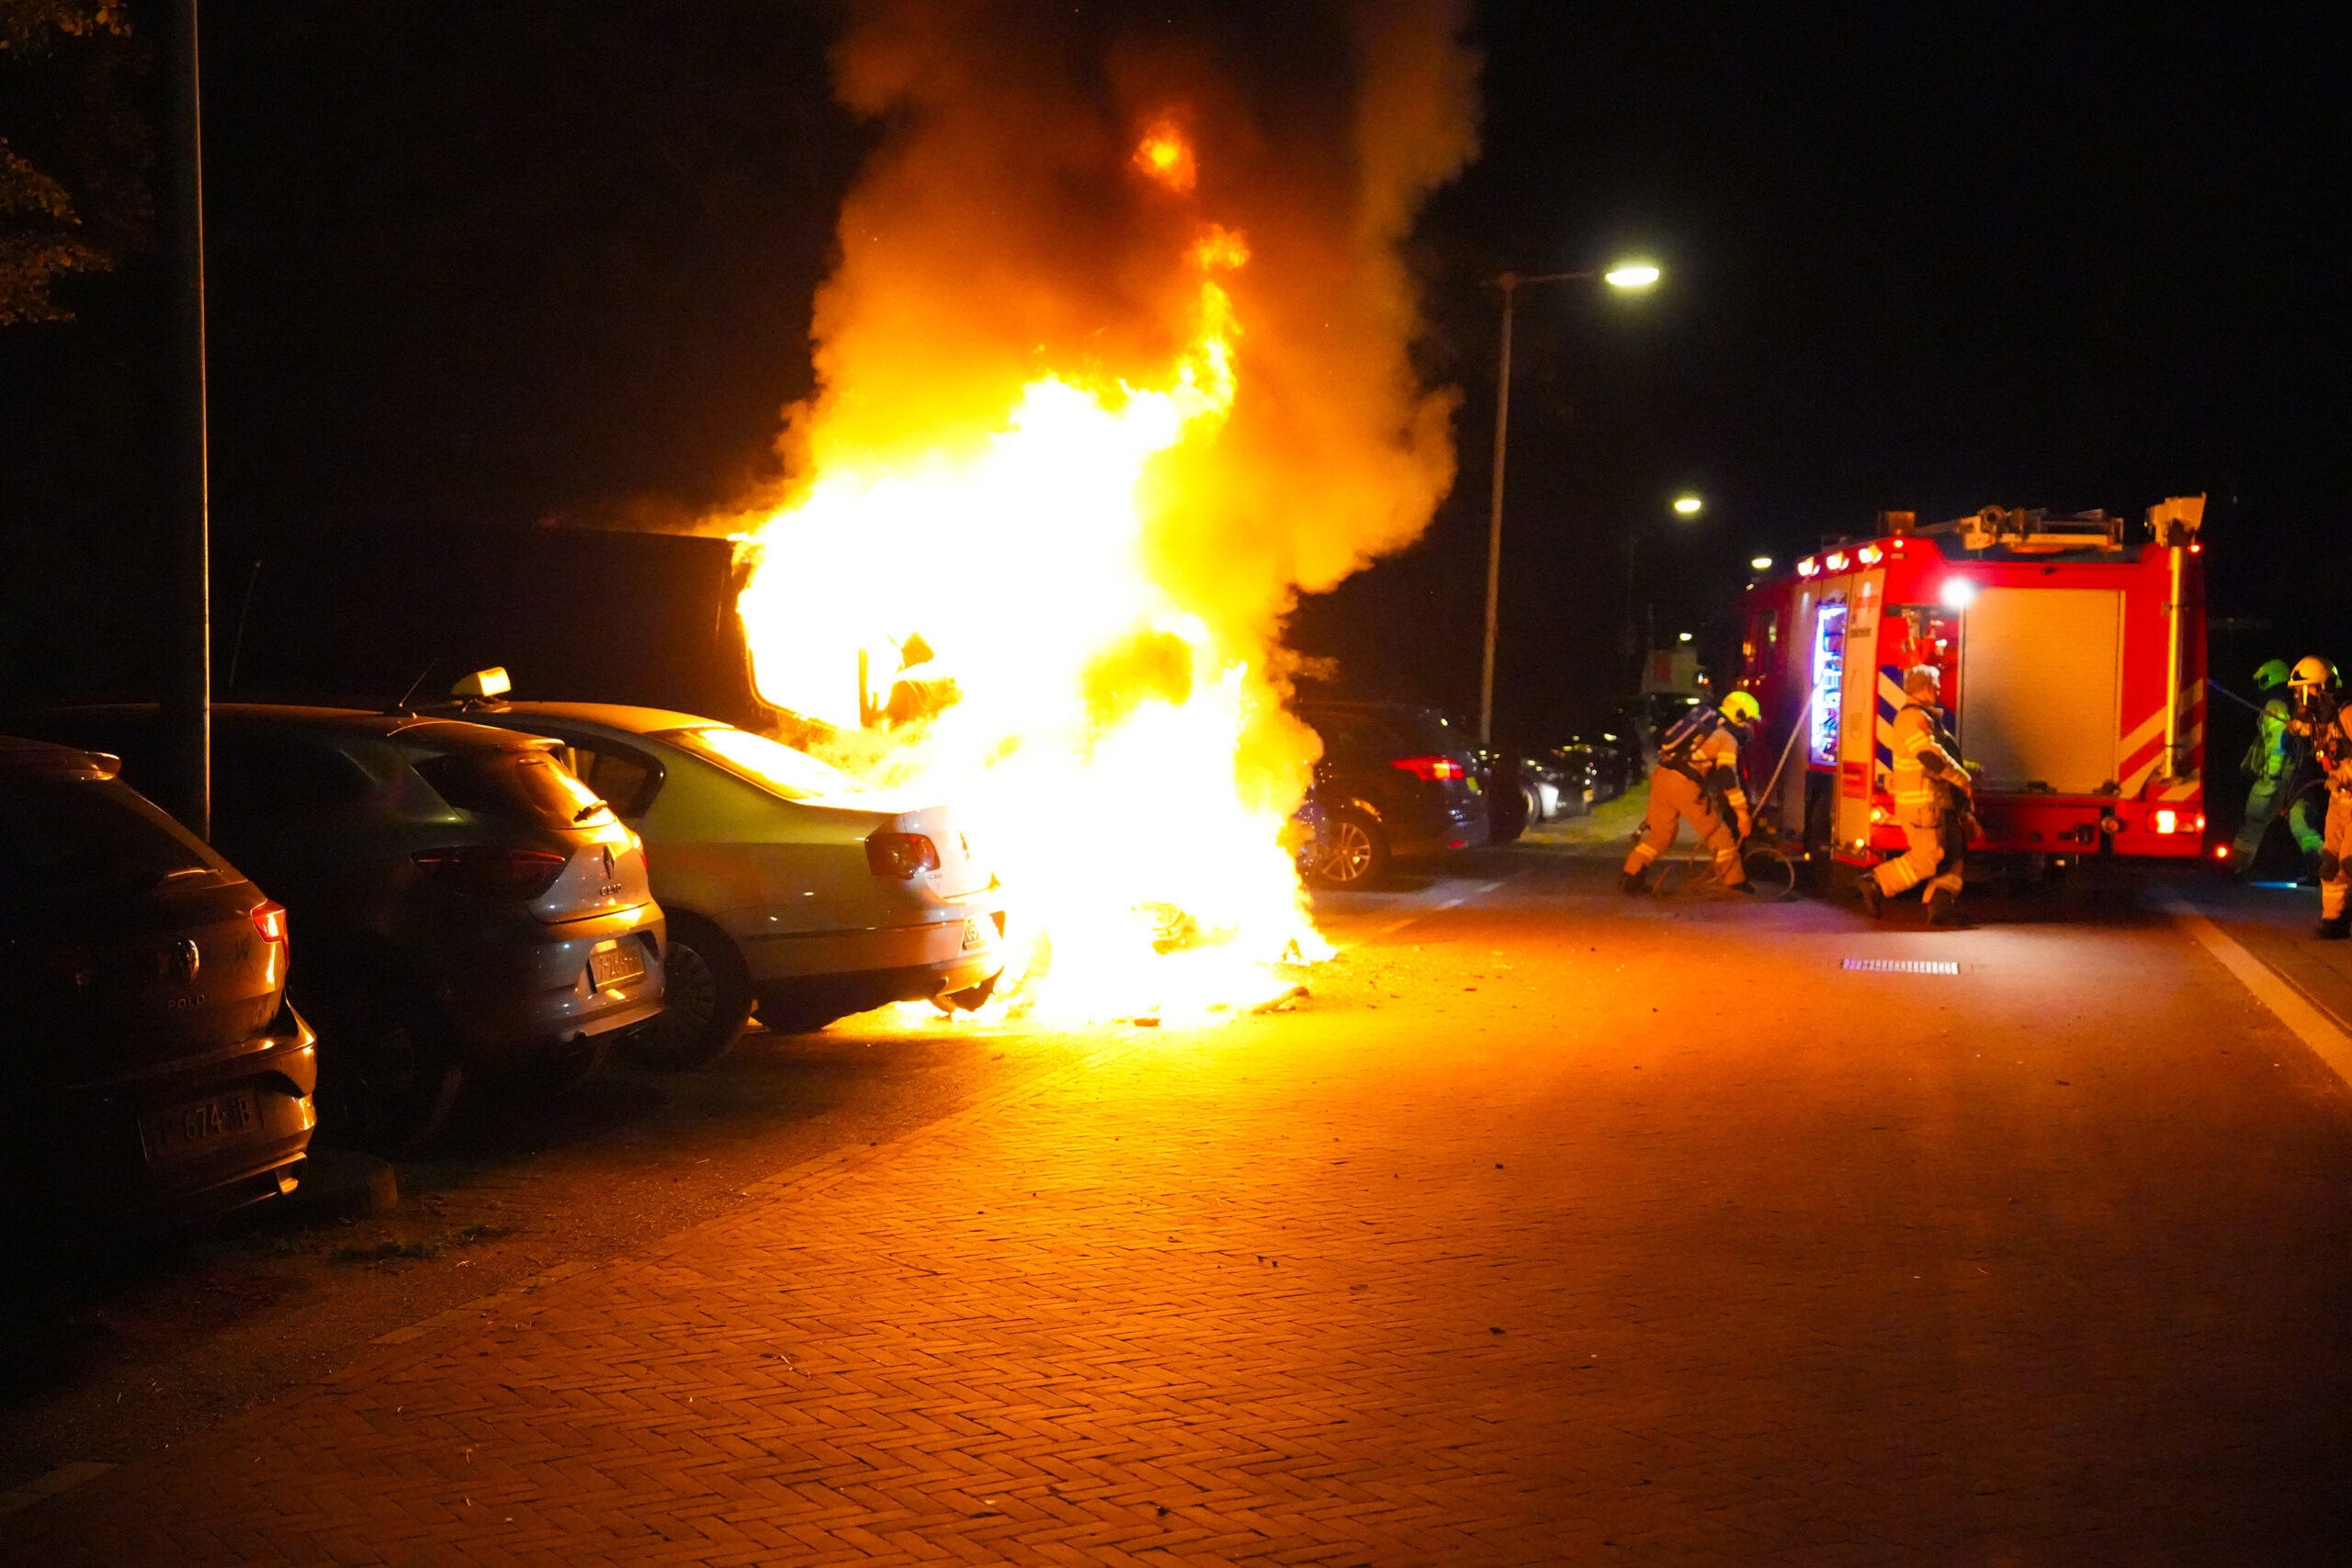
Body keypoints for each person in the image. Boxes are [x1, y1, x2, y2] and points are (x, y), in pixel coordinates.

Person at [1859, 665, 1972, 925]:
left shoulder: (1923, 716)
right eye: (1935, 685)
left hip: (1933, 802)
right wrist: (1961, 778)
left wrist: (1968, 771)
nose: (1939, 689)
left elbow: (1940, 755)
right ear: (1923, 688)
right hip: (1922, 804)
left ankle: (1941, 906)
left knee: (1952, 855)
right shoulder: (1912, 719)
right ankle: (1876, 883)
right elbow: (1929, 756)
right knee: (1928, 859)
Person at [1621, 698, 1753, 896]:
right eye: (1748, 720)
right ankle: (1735, 882)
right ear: (1739, 715)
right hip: (1685, 784)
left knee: (1661, 835)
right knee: (1719, 834)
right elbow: (1728, 778)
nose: (1749, 727)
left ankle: (1631, 875)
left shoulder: (1703, 726)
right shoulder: (1726, 739)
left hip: (1662, 777)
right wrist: (1742, 815)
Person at [2285, 656, 2352, 938]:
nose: (2303, 698)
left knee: (2350, 861)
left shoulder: (2348, 715)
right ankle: (2333, 920)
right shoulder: (2321, 720)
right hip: (2339, 799)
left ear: (2324, 687)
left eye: (2307, 690)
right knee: (2330, 861)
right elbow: (2299, 728)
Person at [2232, 660, 2306, 874]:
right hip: (2292, 777)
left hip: (2275, 777)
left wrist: (2271, 777)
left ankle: (2237, 867)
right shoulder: (2290, 705)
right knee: (2300, 824)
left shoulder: (2275, 706)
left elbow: (2277, 745)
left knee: (2253, 821)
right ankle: (2317, 864)